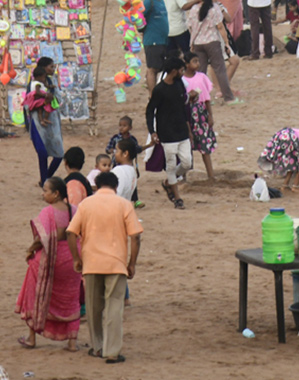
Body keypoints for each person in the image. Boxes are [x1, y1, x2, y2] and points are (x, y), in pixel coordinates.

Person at [66, 171, 143, 365]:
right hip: (116, 263)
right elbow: (135, 237)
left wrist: (76, 258)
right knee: (114, 308)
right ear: (115, 187)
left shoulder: (85, 204)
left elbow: (71, 233)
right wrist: (132, 262)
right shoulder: (124, 204)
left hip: (91, 262)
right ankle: (112, 351)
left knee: (93, 308)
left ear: (97, 186)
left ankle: (98, 346)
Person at [14, 177, 81, 351]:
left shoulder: (48, 213)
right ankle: (72, 342)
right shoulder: (74, 210)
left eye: (46, 191)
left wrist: (30, 250)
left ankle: (31, 338)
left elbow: (41, 239)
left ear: (56, 193)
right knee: (71, 298)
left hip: (51, 259)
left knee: (36, 294)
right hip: (73, 258)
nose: (43, 194)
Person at [145, 54, 192, 209]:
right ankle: (177, 198)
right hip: (167, 133)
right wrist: (152, 131)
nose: (182, 72)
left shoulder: (179, 85)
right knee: (171, 166)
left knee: (186, 163)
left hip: (182, 131)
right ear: (173, 71)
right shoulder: (159, 90)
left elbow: (183, 106)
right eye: (180, 70)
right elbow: (150, 110)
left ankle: (168, 183)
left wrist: (189, 127)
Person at [24, 58, 64, 186]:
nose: (53, 70)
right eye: (51, 67)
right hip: (37, 123)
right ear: (44, 68)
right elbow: (28, 104)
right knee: (42, 152)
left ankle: (46, 178)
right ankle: (45, 181)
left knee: (58, 154)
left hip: (53, 122)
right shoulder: (33, 84)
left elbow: (58, 100)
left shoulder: (52, 82)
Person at [181, 53, 217, 180]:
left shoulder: (202, 77)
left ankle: (211, 175)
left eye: (198, 61)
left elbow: (206, 99)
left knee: (204, 145)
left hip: (201, 114)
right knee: (186, 147)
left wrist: (210, 116)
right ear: (186, 64)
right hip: (187, 114)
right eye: (194, 61)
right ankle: (184, 176)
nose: (198, 64)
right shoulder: (181, 80)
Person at [258, 127, 299, 191]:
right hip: (289, 138)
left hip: (284, 136)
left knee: (293, 163)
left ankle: (285, 185)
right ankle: (295, 187)